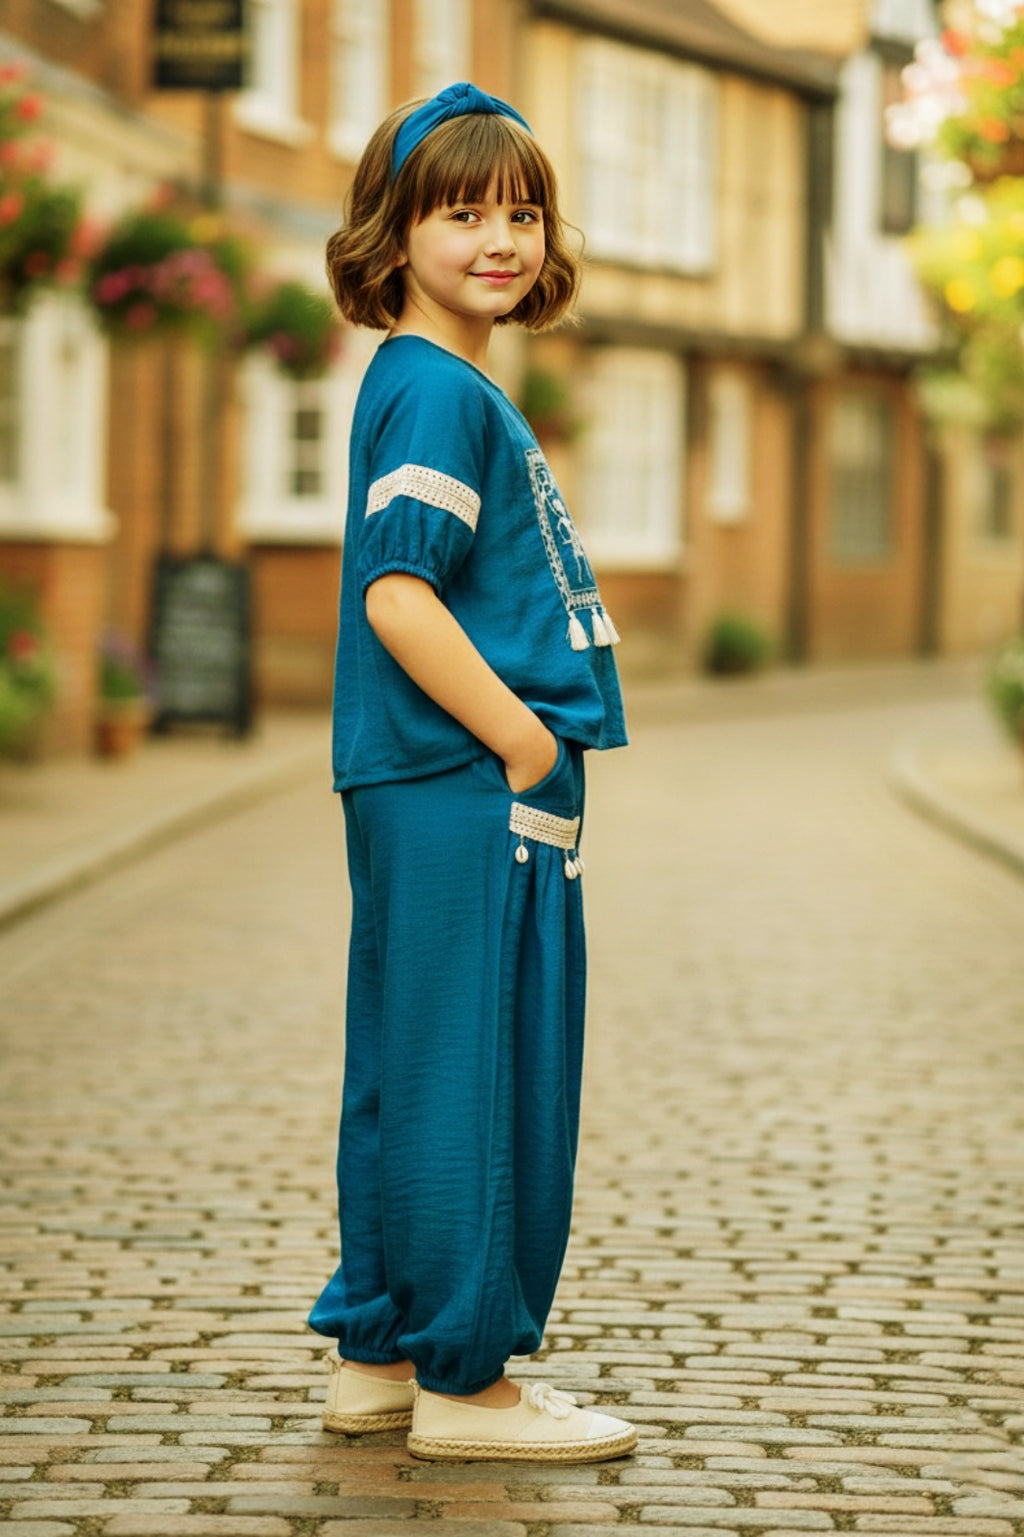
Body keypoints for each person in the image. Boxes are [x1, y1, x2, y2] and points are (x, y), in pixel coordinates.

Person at [308, 81, 635, 1465]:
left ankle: (383, 1352)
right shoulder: (441, 390)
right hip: (465, 784)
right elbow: (401, 595)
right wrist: (521, 738)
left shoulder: (425, 379)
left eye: (522, 210)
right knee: (478, 1070)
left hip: (424, 784)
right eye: (462, 212)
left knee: (413, 1058)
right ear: (396, 234)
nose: (500, 237)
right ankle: (467, 1383)